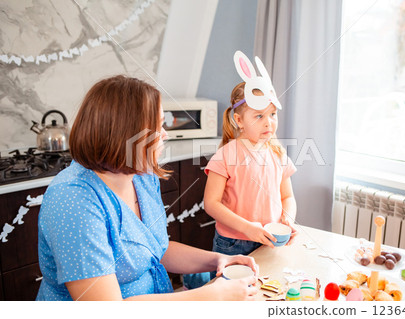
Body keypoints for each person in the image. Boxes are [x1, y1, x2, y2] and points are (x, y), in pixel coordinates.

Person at [36, 75, 258, 301]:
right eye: (158, 126)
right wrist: (210, 296)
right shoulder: (73, 200)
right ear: (125, 134)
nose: (165, 134)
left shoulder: (141, 175)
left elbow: (156, 250)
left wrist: (218, 259)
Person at [204, 51, 298, 257]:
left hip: (269, 241)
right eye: (259, 116)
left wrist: (288, 219)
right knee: (231, 289)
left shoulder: (278, 153)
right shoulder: (225, 156)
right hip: (233, 244)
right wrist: (247, 228)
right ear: (239, 121)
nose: (269, 122)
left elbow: (288, 196)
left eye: (273, 114)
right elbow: (211, 204)